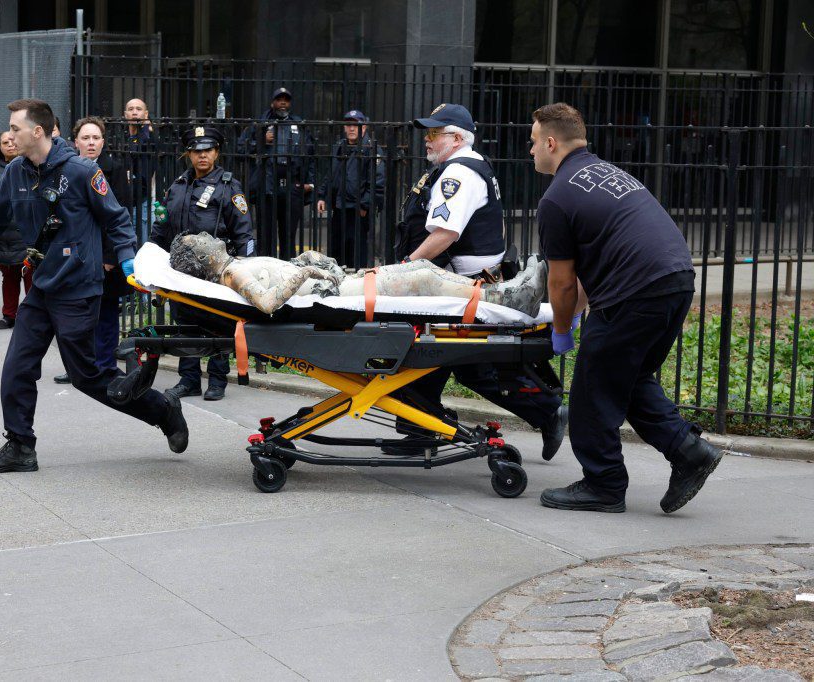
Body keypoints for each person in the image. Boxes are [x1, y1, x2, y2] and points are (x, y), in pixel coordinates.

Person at [0, 98, 189, 473]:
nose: (8, 135)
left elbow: (116, 217)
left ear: (37, 132)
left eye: (15, 128)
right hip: (42, 286)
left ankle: (162, 408)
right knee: (17, 367)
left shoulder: (79, 170)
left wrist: (125, 257)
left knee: (88, 377)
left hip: (78, 287)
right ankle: (20, 446)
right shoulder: (17, 173)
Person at [529, 102, 721, 514]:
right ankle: (690, 452)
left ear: (550, 142)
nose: (530, 151)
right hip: (675, 280)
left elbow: (561, 283)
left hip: (634, 292)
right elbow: (583, 275)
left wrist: (561, 331)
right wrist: (577, 315)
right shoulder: (607, 173)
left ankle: (603, 485)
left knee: (592, 391)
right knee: (628, 379)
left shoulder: (556, 198)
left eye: (532, 142)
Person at [390, 103, 567, 459]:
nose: (427, 141)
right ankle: (420, 427)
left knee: (431, 353)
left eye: (434, 134)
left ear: (456, 138)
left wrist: (405, 268)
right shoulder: (471, 165)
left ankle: (546, 411)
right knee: (439, 356)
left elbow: (445, 234)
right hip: (468, 283)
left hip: (464, 286)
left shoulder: (459, 174)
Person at [169, 231, 547, 316]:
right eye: (197, 239)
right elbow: (267, 303)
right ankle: (507, 298)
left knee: (422, 273)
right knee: (422, 275)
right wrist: (306, 273)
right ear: (199, 258)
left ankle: (505, 292)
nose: (206, 235)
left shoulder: (234, 267)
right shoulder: (231, 275)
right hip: (340, 295)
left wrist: (307, 263)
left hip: (338, 285)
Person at [152, 125, 255, 401]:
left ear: (217, 152)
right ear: (188, 154)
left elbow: (244, 232)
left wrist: (245, 267)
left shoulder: (228, 187)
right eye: (196, 151)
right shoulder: (177, 186)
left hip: (215, 270)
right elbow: (161, 227)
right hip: (181, 271)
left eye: (208, 150)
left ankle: (218, 380)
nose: (202, 156)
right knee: (185, 323)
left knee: (217, 324)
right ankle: (189, 380)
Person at [53, 116, 132, 384]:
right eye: (85, 138)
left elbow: (119, 217)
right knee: (77, 316)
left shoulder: (115, 169)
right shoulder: (67, 170)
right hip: (76, 256)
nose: (90, 143)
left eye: (95, 138)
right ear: (75, 142)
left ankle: (105, 366)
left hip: (105, 259)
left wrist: (110, 258)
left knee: (106, 314)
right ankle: (79, 366)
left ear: (103, 142)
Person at [237, 87, 315, 259]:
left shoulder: (299, 125)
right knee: (266, 235)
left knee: (289, 235)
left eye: (286, 100)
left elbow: (310, 154)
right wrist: (260, 141)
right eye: (279, 99)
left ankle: (288, 270)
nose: (282, 103)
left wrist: (310, 182)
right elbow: (240, 150)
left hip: (292, 187)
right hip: (266, 187)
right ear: (272, 103)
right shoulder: (260, 124)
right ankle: (267, 268)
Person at [316, 110, 385, 268]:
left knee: (357, 255)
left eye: (356, 124)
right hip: (339, 208)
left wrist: (365, 206)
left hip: (358, 211)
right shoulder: (340, 147)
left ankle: (358, 286)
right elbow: (330, 175)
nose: (352, 128)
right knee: (337, 253)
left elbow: (377, 182)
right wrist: (322, 196)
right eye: (348, 125)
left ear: (364, 127)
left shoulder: (371, 149)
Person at [0, 130, 30, 330]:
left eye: (13, 140)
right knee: (9, 276)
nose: (10, 144)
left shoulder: (29, 165)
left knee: (30, 275)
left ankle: (32, 316)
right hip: (2, 232)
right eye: (5, 142)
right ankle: (9, 314)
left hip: (25, 232)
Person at [111, 98, 155, 244]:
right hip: (121, 201)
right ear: (125, 114)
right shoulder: (120, 137)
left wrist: (145, 132)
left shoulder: (150, 138)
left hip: (142, 201)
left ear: (146, 113)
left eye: (138, 109)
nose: (134, 112)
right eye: (131, 109)